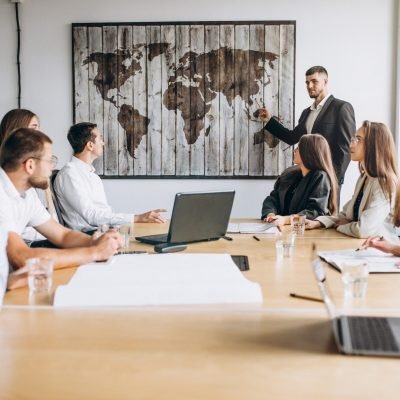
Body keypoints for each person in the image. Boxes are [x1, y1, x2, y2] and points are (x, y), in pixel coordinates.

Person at [0, 128, 122, 276]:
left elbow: (62, 235)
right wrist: (94, 252)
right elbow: (21, 257)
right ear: (30, 165)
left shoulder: (27, 194)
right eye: (50, 160)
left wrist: (95, 242)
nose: (53, 167)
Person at [54, 122, 166, 233]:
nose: (103, 143)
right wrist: (137, 218)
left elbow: (104, 214)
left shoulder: (91, 175)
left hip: (102, 231)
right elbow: (91, 216)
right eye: (100, 139)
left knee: (154, 231)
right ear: (90, 145)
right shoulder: (69, 174)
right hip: (87, 236)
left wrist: (130, 222)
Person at [258, 66, 355, 186]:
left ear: (325, 82)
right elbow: (291, 138)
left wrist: (334, 179)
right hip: (306, 178)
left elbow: (346, 148)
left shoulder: (341, 108)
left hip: (329, 179)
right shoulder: (306, 113)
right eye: (307, 82)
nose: (309, 86)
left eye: (314, 81)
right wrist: (269, 120)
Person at [306, 121, 400, 239]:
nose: (351, 144)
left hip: (380, 252)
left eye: (358, 139)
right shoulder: (364, 178)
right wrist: (318, 222)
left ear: (374, 145)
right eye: (353, 139)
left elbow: (363, 230)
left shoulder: (385, 183)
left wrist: (340, 226)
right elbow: (345, 215)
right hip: (360, 246)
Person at [0, 109, 57, 247]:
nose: (41, 133)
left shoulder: (28, 190)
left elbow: (54, 229)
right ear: (18, 133)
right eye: (34, 128)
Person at [261, 134, 337, 226]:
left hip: (305, 233)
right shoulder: (289, 174)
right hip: (280, 229)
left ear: (308, 152)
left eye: (298, 148)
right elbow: (273, 198)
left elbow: (315, 211)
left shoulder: (320, 177)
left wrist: (286, 220)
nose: (294, 151)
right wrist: (271, 215)